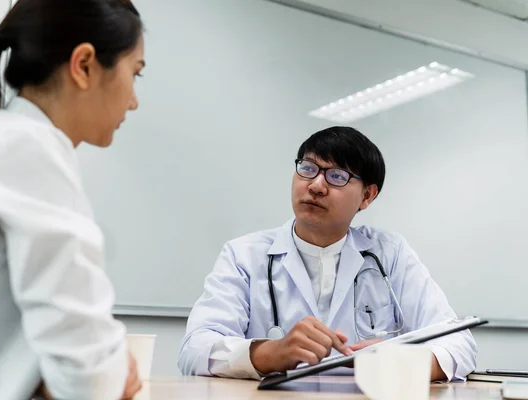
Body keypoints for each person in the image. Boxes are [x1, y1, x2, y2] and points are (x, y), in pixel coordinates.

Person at [0, 0, 146, 399]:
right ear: (84, 65)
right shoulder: (23, 148)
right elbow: (90, 373)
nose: (133, 100)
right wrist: (110, 372)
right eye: (136, 73)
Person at [178, 126, 477, 381]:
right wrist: (269, 353)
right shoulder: (244, 255)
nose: (316, 185)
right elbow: (194, 350)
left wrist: (404, 363)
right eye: (308, 169)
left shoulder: (389, 253)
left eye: (336, 176)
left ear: (367, 195)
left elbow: (459, 343)